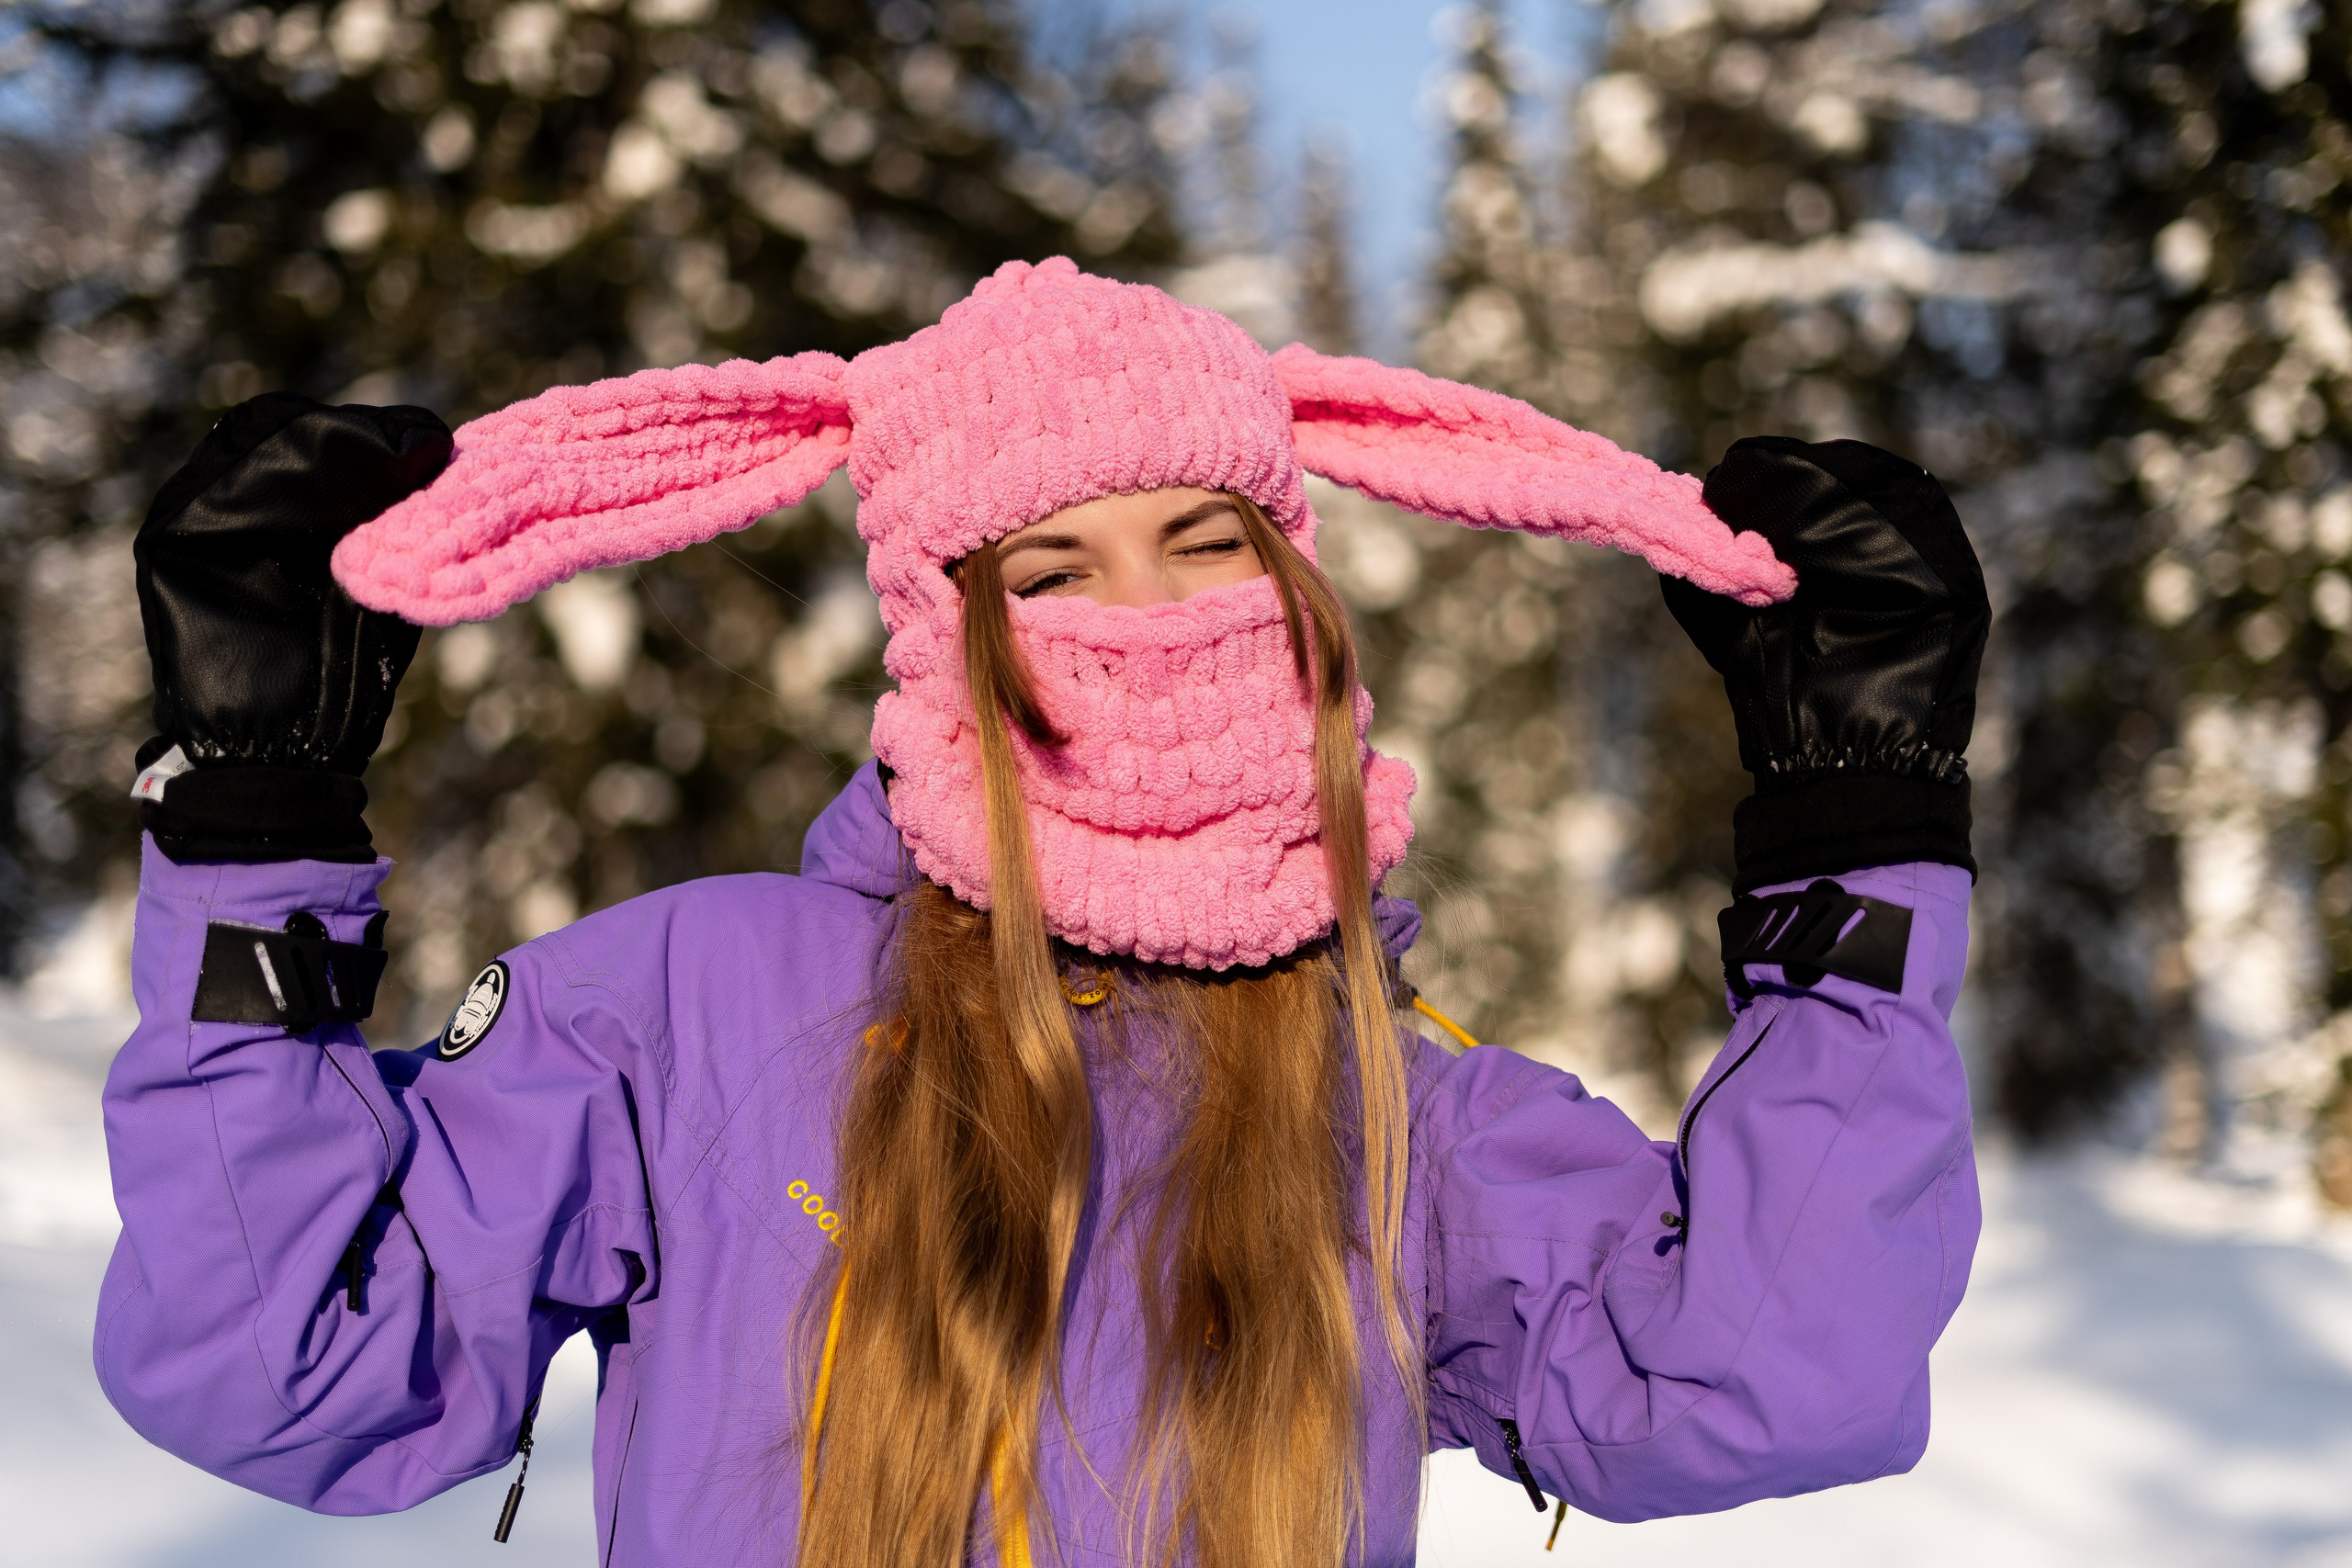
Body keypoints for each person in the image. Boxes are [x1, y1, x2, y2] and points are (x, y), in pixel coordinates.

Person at [98, 258, 1986, 1568]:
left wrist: (1858, 841)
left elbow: (1755, 1374)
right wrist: (256, 820)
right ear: (943, 620)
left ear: (1296, 584)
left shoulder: (1400, 1107)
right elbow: (301, 1372)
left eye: (1203, 545)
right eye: (1053, 566)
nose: (1148, 620)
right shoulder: (684, 1003)